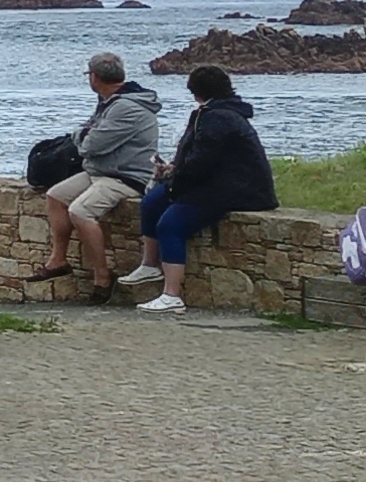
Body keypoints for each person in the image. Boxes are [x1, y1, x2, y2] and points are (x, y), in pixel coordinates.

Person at [134, 65, 276, 313]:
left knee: (170, 225)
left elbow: (203, 162)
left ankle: (172, 295)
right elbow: (197, 158)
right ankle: (149, 265)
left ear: (196, 92)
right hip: (217, 182)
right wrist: (174, 170)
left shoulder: (217, 118)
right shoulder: (218, 113)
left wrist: (175, 181)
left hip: (235, 190)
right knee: (152, 202)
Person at [33, 52, 159, 292]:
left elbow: (91, 145)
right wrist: (84, 135)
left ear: (95, 77)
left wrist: (81, 136)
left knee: (80, 211)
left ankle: (102, 276)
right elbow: (89, 134)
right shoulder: (110, 102)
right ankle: (58, 260)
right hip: (101, 170)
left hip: (126, 176)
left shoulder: (126, 107)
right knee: (56, 196)